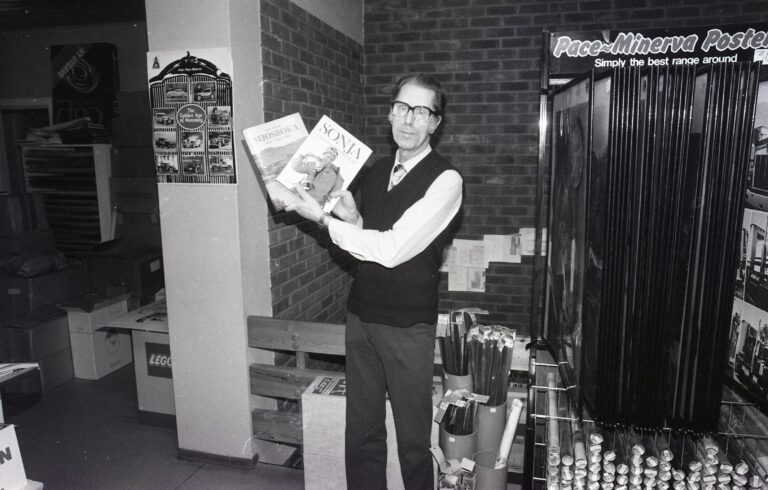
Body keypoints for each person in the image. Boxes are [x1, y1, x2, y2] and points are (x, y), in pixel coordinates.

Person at [286, 73, 463, 490]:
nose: (408, 120)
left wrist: (323, 219)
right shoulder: (378, 169)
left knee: (413, 442)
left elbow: (392, 249)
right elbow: (369, 242)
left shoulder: (446, 180)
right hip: (361, 316)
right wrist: (353, 218)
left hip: (407, 327)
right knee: (362, 434)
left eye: (421, 112)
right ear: (390, 114)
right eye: (402, 108)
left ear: (435, 123)